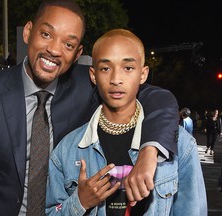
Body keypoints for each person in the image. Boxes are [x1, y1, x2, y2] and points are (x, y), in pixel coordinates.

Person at [0, 1, 179, 215]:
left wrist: (150, 152)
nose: (55, 50)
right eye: (46, 34)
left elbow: (159, 98)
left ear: (77, 53)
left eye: (68, 44)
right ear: (28, 32)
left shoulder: (88, 84)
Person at [46, 28, 207, 216]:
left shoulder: (182, 146)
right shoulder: (67, 150)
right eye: (105, 68)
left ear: (143, 74)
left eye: (128, 68)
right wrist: (79, 202)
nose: (116, 79)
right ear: (93, 75)